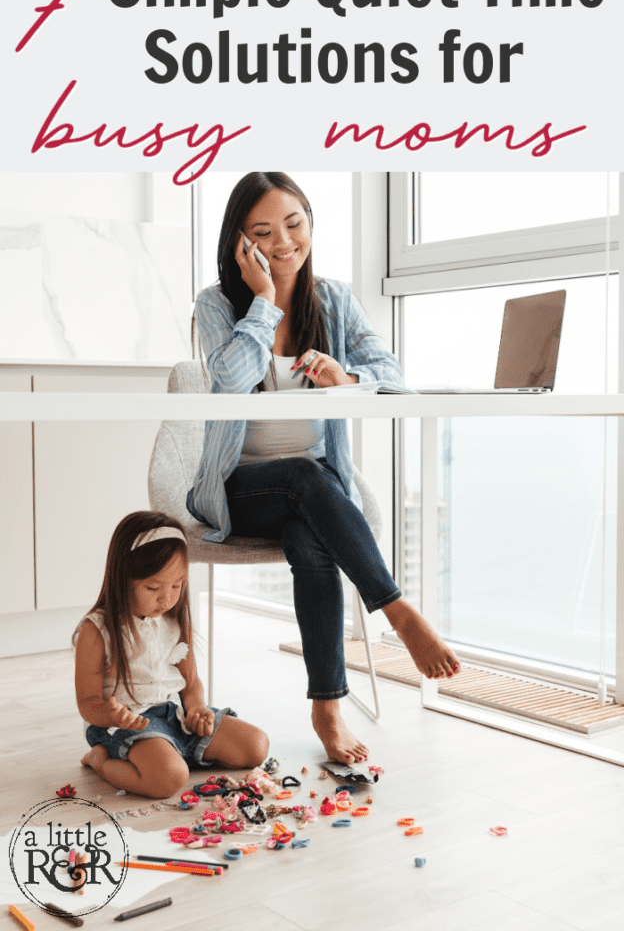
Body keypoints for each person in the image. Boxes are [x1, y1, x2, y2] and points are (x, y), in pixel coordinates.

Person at [187, 172, 460, 765]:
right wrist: (262, 304)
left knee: (313, 541)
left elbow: (395, 380)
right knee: (306, 479)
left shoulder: (333, 300)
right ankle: (394, 606)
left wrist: (349, 378)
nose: (283, 241)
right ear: (241, 244)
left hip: (313, 493)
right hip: (240, 488)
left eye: (294, 224)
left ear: (311, 224)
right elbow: (229, 381)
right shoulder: (216, 305)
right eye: (263, 232)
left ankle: (327, 708)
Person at [75, 511, 269, 799]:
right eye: (153, 588)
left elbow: (190, 683)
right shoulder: (97, 631)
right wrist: (111, 715)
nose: (167, 598)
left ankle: (174, 751)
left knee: (256, 746)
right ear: (122, 577)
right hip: (130, 725)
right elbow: (87, 701)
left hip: (175, 718)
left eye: (177, 585)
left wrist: (196, 709)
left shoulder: (173, 621)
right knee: (169, 779)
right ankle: (102, 761)